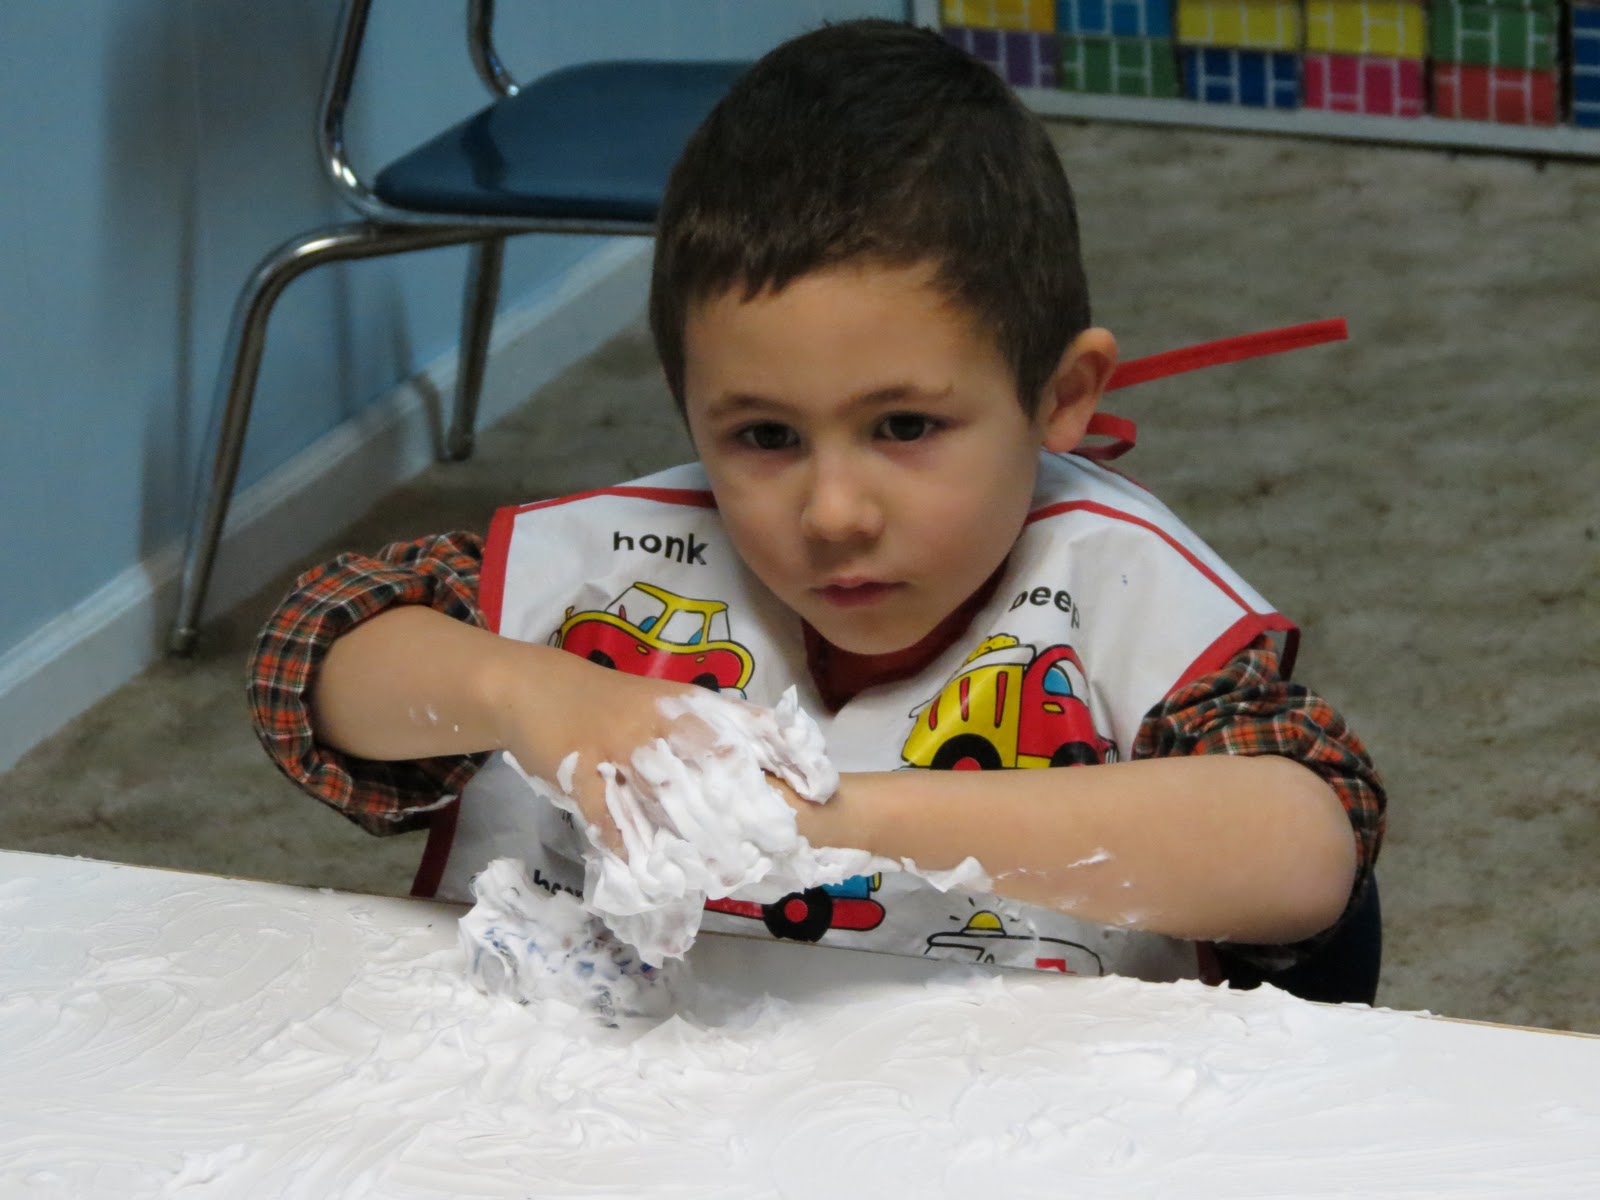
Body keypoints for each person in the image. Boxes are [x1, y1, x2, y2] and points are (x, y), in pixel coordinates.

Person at [249, 20, 1383, 989]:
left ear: (1062, 394)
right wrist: (532, 696)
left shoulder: (1116, 587)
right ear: (688, 410)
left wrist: (822, 821)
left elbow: (1306, 848)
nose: (834, 511)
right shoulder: (609, 566)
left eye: (903, 427)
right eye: (764, 437)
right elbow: (314, 655)